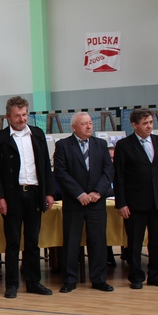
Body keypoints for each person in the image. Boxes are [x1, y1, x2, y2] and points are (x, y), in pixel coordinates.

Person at [0, 96, 55, 299]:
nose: (22, 119)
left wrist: (48, 192)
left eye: (24, 114)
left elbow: (45, 165)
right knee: (13, 241)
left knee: (33, 241)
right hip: (12, 195)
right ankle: (12, 284)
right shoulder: (0, 137)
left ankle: (33, 281)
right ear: (8, 117)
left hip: (34, 192)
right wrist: (0, 197)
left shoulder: (37, 134)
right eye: (17, 115)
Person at [113, 109, 158, 289]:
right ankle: (136, 277)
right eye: (145, 123)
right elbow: (119, 177)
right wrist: (121, 203)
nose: (149, 126)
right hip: (134, 203)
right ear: (135, 125)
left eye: (150, 122)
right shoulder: (124, 145)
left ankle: (156, 275)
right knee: (135, 243)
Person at [53, 112, 115, 293]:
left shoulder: (100, 144)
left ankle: (99, 279)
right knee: (71, 243)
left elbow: (108, 171)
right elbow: (61, 172)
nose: (89, 126)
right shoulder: (63, 145)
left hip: (96, 202)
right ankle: (69, 280)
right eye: (84, 124)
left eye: (90, 123)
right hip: (74, 202)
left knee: (98, 242)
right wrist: (79, 194)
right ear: (74, 127)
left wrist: (97, 192)